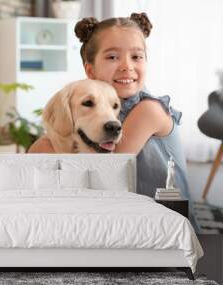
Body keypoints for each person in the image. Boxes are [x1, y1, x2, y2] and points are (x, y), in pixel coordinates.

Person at [29, 12, 199, 231]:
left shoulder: (149, 110)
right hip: (124, 217)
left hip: (168, 226)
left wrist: (47, 146)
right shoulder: (99, 112)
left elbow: (106, 171)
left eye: (136, 57)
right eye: (112, 57)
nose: (127, 66)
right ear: (90, 70)